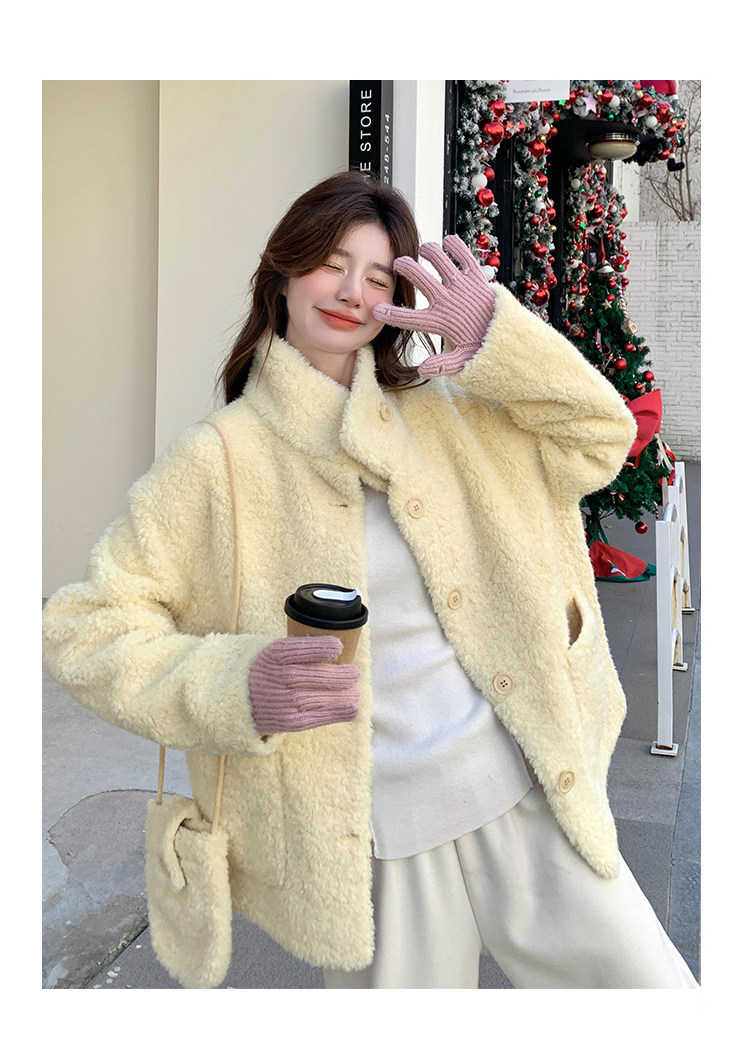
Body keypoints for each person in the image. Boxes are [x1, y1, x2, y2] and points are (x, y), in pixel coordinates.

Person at [42, 170, 698, 989]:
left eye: (379, 276)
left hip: (525, 785)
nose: (353, 291)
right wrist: (234, 683)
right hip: (385, 841)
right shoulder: (217, 461)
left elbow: (600, 438)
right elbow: (83, 627)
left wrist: (498, 339)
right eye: (331, 263)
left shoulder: (449, 411)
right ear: (283, 273)